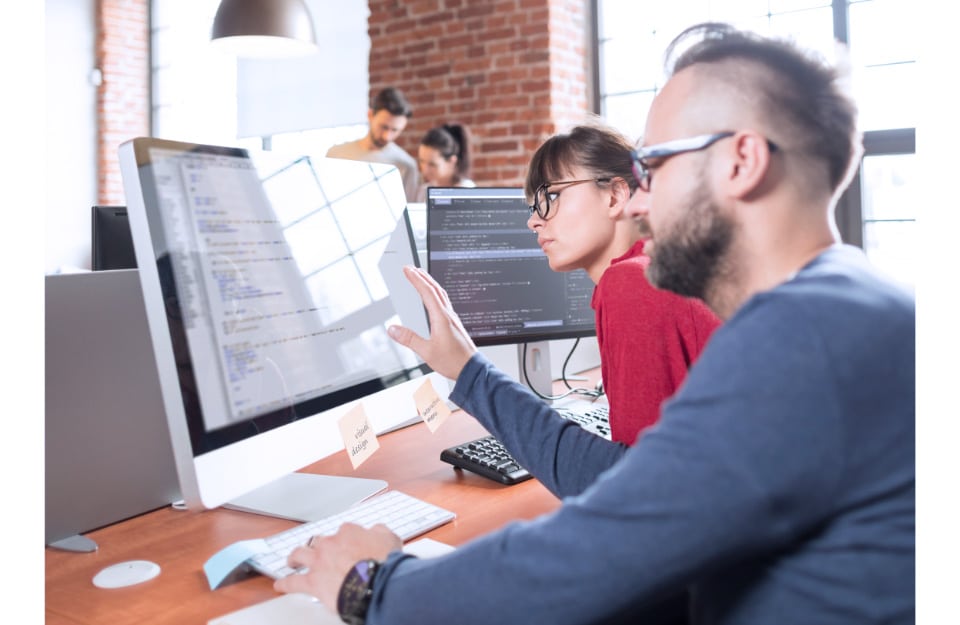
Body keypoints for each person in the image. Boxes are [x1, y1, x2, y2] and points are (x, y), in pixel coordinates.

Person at [276, 22, 915, 624]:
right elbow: (637, 507)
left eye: (655, 167)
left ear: (741, 161)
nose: (637, 199)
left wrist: (371, 586)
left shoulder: (803, 346)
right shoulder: (849, 304)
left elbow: (577, 562)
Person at [525, 123, 720, 444]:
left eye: (552, 195)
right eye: (534, 205)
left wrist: (473, 375)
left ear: (614, 196)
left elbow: (646, 477)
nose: (533, 221)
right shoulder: (657, 267)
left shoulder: (633, 283)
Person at [327, 87, 420, 202]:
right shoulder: (336, 154)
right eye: (383, 127)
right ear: (370, 115)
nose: (387, 136)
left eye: (395, 130)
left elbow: (407, 214)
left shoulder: (407, 165)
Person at [414, 123, 476, 202]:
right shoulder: (424, 191)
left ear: (451, 161)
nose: (424, 170)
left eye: (432, 164)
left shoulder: (466, 190)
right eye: (422, 161)